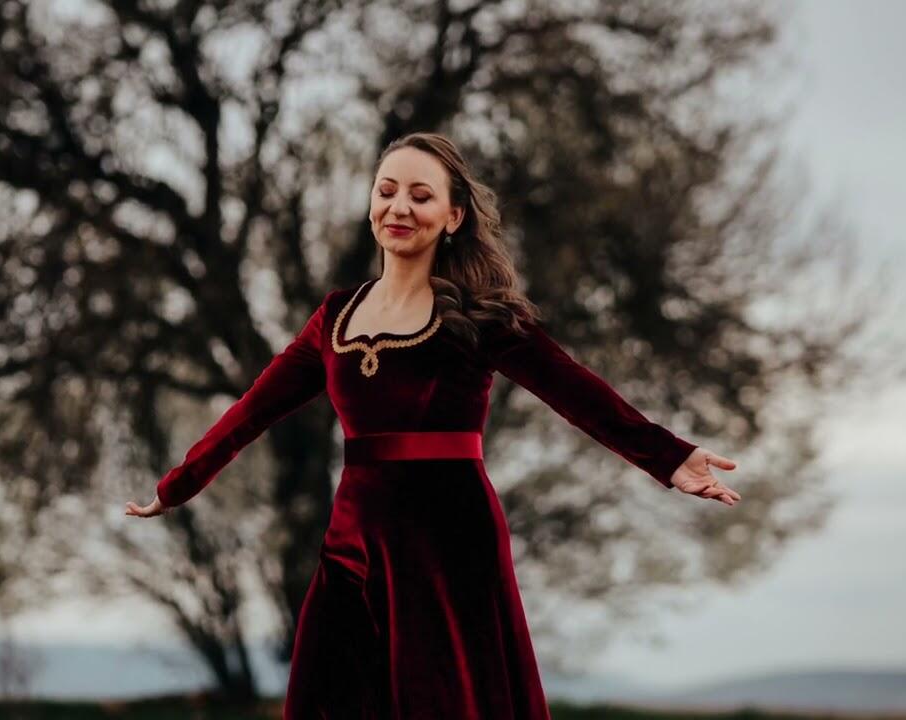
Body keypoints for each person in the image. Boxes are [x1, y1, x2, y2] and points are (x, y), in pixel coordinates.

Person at [125, 132, 740, 718]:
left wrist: (670, 458)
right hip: (352, 543)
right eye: (386, 190)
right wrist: (177, 485)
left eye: (420, 196)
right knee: (324, 697)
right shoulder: (335, 317)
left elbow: (576, 391)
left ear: (453, 216)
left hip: (449, 544)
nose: (399, 207)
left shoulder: (481, 317)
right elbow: (251, 411)